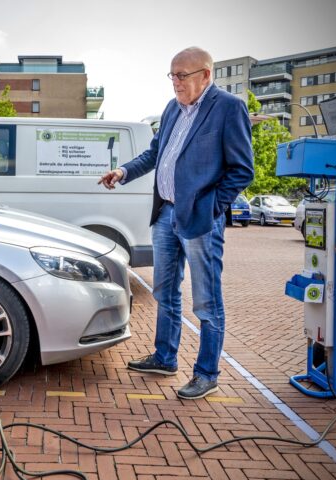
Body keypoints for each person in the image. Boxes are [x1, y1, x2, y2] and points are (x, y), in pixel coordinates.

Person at [98, 47, 253, 399]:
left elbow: (242, 169)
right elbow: (155, 154)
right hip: (165, 214)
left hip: (200, 218)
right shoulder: (171, 109)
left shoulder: (228, 108)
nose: (176, 82)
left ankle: (206, 374)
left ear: (206, 75)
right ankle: (165, 357)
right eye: (172, 75)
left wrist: (212, 206)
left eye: (183, 75)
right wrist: (123, 171)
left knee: (206, 301)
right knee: (164, 292)